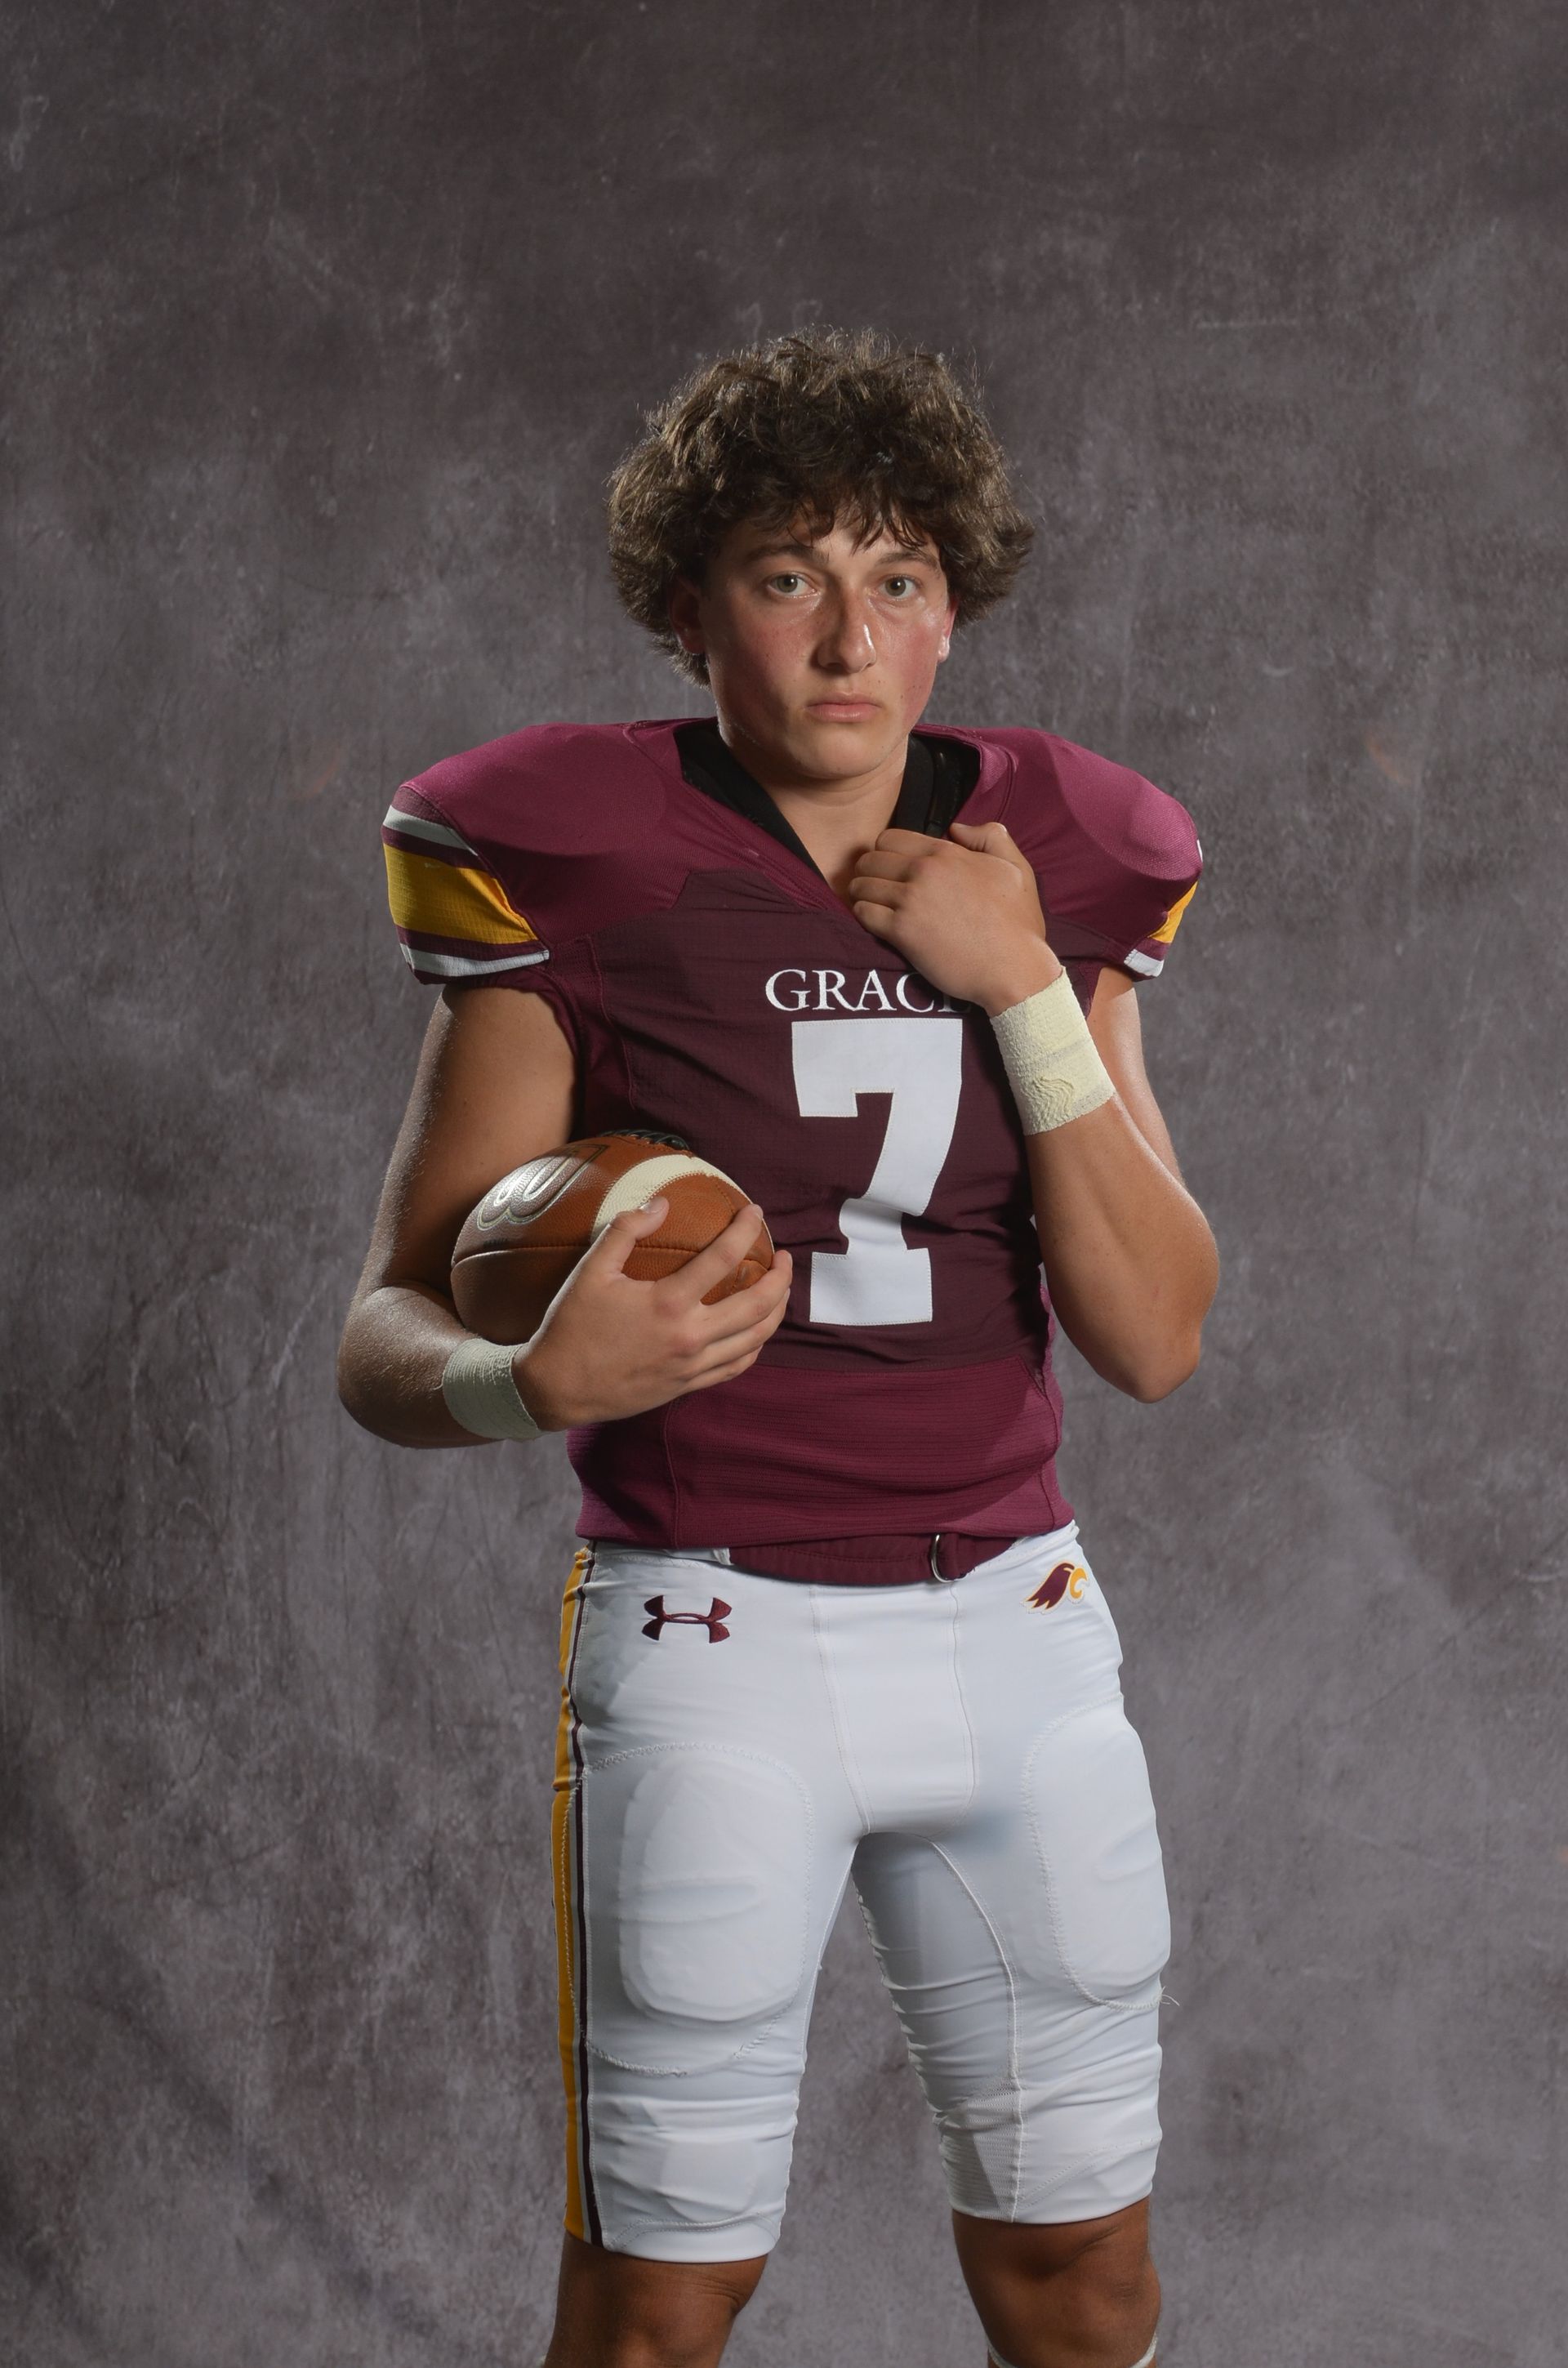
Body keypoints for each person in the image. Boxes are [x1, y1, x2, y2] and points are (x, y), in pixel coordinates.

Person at [338, 329, 1218, 2368]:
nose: (850, 638)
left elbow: (1158, 1335)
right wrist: (522, 1381)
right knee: (659, 2305)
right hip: (716, 1644)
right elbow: (388, 1330)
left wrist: (1022, 990)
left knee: (1085, 2291)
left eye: (899, 578)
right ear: (688, 610)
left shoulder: (1061, 857)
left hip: (1020, 1627)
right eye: (787, 574)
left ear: (954, 609)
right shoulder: (578, 855)